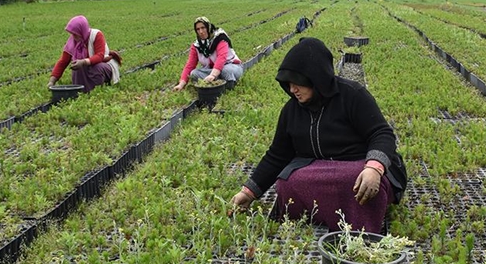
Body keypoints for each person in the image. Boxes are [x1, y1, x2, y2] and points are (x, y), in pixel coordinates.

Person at [230, 37, 407, 234]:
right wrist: (248, 192)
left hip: (359, 165)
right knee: (287, 182)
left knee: (355, 180)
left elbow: (382, 133)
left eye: (297, 83)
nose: (292, 89)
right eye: (288, 83)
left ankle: (359, 225)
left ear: (315, 78)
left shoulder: (352, 95)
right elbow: (277, 155)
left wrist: (374, 167)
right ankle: (332, 214)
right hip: (318, 170)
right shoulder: (291, 111)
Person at [49, 15, 121, 92]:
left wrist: (84, 62)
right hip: (87, 66)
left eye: (75, 34)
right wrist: (52, 81)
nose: (73, 36)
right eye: (72, 34)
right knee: (77, 68)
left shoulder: (96, 35)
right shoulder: (73, 41)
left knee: (97, 68)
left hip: (105, 64)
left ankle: (95, 89)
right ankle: (80, 90)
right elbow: (63, 61)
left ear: (82, 31)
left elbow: (100, 56)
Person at [173, 16, 244, 91]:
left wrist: (213, 75)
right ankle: (220, 83)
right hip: (212, 71)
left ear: (208, 27)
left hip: (231, 67)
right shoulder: (196, 45)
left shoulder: (220, 38)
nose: (201, 31)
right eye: (198, 29)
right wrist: (181, 84)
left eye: (203, 28)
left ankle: (225, 84)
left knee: (226, 71)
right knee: (194, 73)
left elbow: (221, 58)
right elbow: (190, 65)